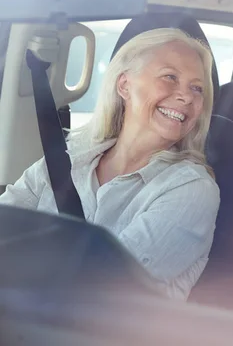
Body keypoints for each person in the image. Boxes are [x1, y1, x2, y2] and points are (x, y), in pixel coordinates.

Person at [0, 28, 220, 300]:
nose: (186, 97)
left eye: (196, 88)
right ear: (124, 85)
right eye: (170, 77)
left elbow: (104, 283)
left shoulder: (192, 190)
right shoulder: (69, 158)